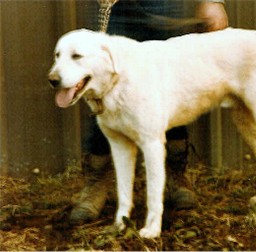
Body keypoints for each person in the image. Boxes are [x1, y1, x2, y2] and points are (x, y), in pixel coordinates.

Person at [69, 0, 228, 225]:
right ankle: (97, 182)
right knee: (102, 86)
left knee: (169, 85)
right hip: (112, 5)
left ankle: (175, 175)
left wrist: (212, 1)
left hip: (162, 4)